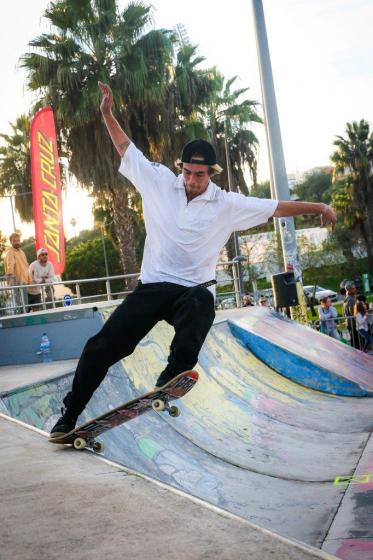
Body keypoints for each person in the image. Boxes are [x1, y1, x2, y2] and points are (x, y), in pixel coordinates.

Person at [49, 81, 337, 437]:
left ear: (211, 174)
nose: (191, 180)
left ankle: (173, 375)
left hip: (192, 290)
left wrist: (319, 206)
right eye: (186, 171)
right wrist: (108, 114)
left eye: (199, 175)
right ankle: (69, 415)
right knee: (101, 346)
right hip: (153, 285)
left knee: (203, 302)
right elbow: (126, 147)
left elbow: (277, 207)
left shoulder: (228, 204)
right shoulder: (158, 181)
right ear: (180, 166)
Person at [3, 232, 30, 313]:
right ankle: (19, 313)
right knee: (18, 301)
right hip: (16, 281)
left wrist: (29, 278)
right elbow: (10, 264)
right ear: (11, 242)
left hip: (24, 280)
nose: (17, 242)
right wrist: (10, 276)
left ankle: (25, 313)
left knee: (25, 301)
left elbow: (26, 265)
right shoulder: (10, 252)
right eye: (15, 241)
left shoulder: (22, 252)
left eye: (18, 240)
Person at [343, 281, 361, 349]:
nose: (355, 289)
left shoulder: (348, 298)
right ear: (349, 290)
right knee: (356, 342)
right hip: (353, 323)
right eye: (353, 288)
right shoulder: (350, 299)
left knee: (355, 341)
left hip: (350, 323)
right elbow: (352, 312)